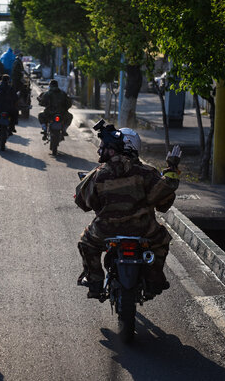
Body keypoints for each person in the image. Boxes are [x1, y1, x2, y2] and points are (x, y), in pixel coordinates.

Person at [74, 121, 181, 299]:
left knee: (86, 242)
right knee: (162, 241)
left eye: (103, 147)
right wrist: (171, 172)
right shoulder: (147, 173)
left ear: (114, 148)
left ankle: (94, 282)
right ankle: (154, 280)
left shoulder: (99, 174)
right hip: (144, 230)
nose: (100, 151)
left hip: (105, 231)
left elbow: (84, 203)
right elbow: (163, 204)